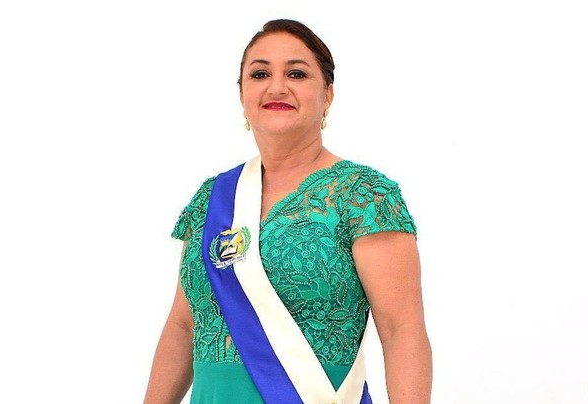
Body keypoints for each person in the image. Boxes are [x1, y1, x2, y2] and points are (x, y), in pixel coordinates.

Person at [144, 19, 432, 404]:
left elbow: (401, 330)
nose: (276, 87)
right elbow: (183, 326)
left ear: (327, 94)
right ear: (242, 94)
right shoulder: (213, 198)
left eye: (296, 73)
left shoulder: (363, 195)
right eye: (260, 74)